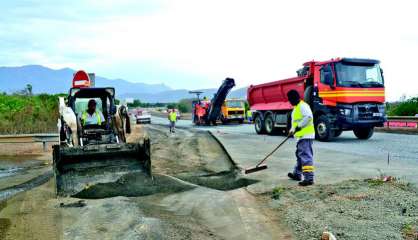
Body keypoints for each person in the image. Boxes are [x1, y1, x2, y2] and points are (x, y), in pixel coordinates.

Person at [286, 90, 315, 186]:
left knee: (305, 157)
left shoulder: (303, 106)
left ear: (294, 98)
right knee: (300, 156)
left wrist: (299, 126)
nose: (289, 102)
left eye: (290, 100)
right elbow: (295, 123)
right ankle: (297, 174)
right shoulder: (296, 109)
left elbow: (309, 117)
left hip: (305, 136)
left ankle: (309, 178)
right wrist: (291, 130)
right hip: (300, 137)